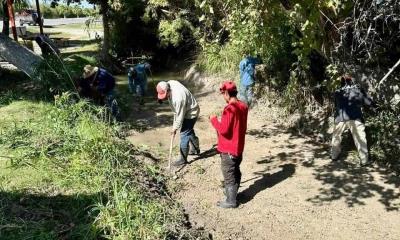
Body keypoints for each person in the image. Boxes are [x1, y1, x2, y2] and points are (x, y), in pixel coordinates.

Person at [209, 81, 248, 208]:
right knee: (236, 170)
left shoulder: (229, 109)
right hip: (239, 148)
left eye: (223, 94)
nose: (223, 97)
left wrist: (214, 120)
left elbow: (224, 130)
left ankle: (231, 201)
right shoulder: (243, 105)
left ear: (226, 93)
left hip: (229, 149)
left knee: (228, 173)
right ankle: (234, 194)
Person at [331, 74, 375, 166]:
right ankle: (364, 160)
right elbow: (369, 103)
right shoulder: (358, 91)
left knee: (336, 137)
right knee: (360, 139)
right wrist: (371, 96)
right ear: (352, 81)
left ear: (341, 82)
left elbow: (336, 105)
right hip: (355, 117)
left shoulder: (337, 92)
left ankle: (334, 156)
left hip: (340, 118)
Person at [156, 80, 200, 166]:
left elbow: (179, 117)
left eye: (164, 95)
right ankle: (195, 149)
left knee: (184, 133)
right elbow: (176, 112)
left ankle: (183, 159)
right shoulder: (170, 83)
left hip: (191, 113)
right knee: (188, 130)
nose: (164, 98)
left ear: (168, 90)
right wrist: (161, 98)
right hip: (187, 108)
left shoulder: (178, 99)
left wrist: (174, 129)